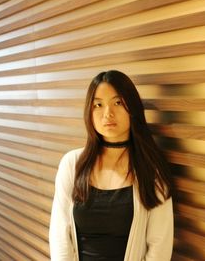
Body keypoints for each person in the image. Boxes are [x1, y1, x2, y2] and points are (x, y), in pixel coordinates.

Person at [49, 70, 173, 261]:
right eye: (98, 105)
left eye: (117, 103)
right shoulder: (72, 164)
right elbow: (60, 235)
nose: (108, 113)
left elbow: (159, 247)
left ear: (132, 107)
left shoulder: (150, 170)